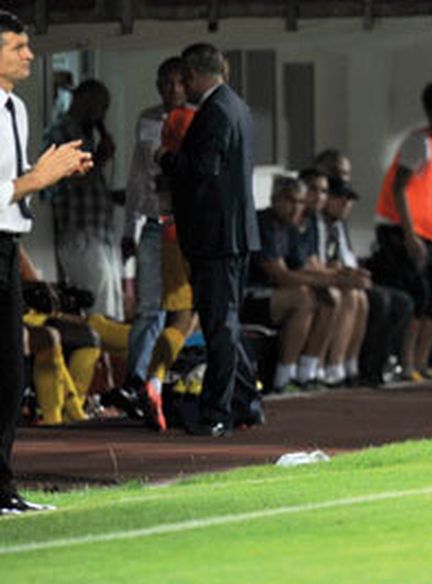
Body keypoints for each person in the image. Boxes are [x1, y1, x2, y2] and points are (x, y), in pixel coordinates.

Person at [0, 9, 94, 514]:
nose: (29, 55)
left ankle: (3, 488)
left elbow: (14, 188)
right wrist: (38, 178)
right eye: (17, 46)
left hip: (7, 245)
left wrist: (53, 172)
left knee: (10, 375)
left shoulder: (14, 108)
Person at [159, 42, 262, 436]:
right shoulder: (237, 107)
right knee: (227, 323)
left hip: (216, 236)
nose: (183, 86)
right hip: (232, 234)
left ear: (198, 74)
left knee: (220, 324)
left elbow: (204, 168)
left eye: (185, 78)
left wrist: (166, 160)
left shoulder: (216, 112)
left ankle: (218, 412)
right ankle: (244, 402)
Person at [102, 57, 194, 431]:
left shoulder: (199, 119)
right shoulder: (148, 120)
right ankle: (138, 382)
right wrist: (130, 229)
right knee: (148, 309)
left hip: (187, 226)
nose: (171, 89)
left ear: (187, 85)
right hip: (156, 224)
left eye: (177, 83)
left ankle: (159, 379)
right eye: (165, 83)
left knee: (186, 312)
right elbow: (138, 177)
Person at [373, 82, 432, 382]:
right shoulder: (417, 143)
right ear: (431, 112)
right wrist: (410, 236)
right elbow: (399, 188)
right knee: (418, 298)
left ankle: (422, 363)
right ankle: (406, 363)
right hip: (404, 233)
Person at [249, 176, 341, 391]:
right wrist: (333, 279)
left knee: (327, 297)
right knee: (303, 297)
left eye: (300, 202)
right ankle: (283, 377)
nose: (296, 208)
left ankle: (306, 373)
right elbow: (281, 275)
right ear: (275, 199)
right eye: (290, 201)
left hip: (273, 295)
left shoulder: (290, 227)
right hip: (251, 294)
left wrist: (334, 280)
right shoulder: (264, 223)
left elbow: (303, 268)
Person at [322, 173, 412, 386]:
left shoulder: (340, 226)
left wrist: (358, 274)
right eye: (340, 198)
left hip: (349, 278)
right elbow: (327, 263)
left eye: (349, 199)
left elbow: (348, 258)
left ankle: (381, 363)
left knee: (403, 302)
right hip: (334, 281)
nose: (346, 204)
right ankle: (355, 365)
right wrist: (349, 276)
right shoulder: (319, 224)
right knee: (377, 300)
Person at [43, 79, 122, 319]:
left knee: (110, 307)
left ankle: (105, 356)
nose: (102, 116)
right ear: (87, 101)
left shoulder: (83, 136)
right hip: (81, 235)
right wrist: (100, 160)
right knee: (98, 309)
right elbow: (64, 182)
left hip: (98, 234)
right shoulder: (63, 133)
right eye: (101, 108)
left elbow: (85, 188)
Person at [297, 168, 368, 386]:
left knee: (359, 296)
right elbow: (310, 264)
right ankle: (321, 365)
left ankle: (344, 365)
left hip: (313, 277)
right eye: (314, 190)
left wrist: (346, 273)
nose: (319, 197)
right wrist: (338, 276)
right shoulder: (306, 220)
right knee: (339, 296)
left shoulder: (326, 224)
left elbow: (328, 262)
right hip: (298, 281)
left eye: (324, 192)